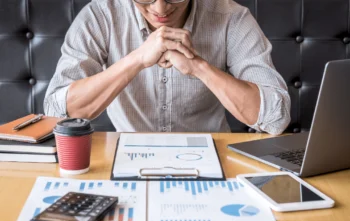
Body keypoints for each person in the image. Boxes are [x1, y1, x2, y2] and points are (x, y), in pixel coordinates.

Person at [44, 0, 291, 135]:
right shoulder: (100, 15)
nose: (160, 8)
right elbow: (58, 112)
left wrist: (198, 66)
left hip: (212, 155)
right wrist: (138, 58)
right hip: (128, 156)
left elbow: (275, 118)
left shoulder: (232, 17)